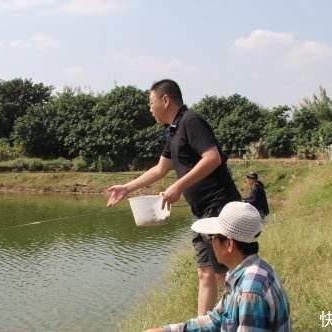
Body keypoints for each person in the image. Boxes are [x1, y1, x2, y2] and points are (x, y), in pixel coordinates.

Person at [107, 79, 242, 315]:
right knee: (205, 272)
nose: (149, 108)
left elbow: (212, 158)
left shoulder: (191, 121)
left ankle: (240, 319)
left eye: (151, 102)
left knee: (223, 272)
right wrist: (127, 188)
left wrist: (177, 187)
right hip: (200, 211)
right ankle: (204, 325)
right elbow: (160, 169)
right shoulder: (172, 131)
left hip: (218, 207)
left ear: (165, 100)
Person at [144, 201, 291, 332]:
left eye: (212, 237)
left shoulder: (250, 290)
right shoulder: (245, 272)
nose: (211, 243)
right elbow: (216, 319)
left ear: (229, 244)